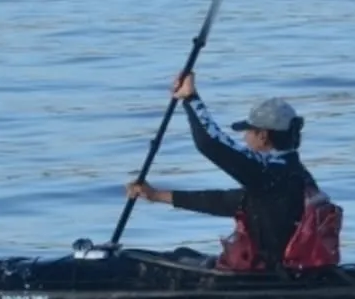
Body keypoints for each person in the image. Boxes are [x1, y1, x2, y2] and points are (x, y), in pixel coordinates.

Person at [125, 71, 341, 274]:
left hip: (263, 276)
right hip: (279, 271)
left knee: (144, 262)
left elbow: (210, 143)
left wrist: (191, 98)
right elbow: (225, 201)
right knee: (182, 254)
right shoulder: (293, 173)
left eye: (248, 131)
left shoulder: (267, 171)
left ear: (263, 136)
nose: (245, 138)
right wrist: (156, 195)